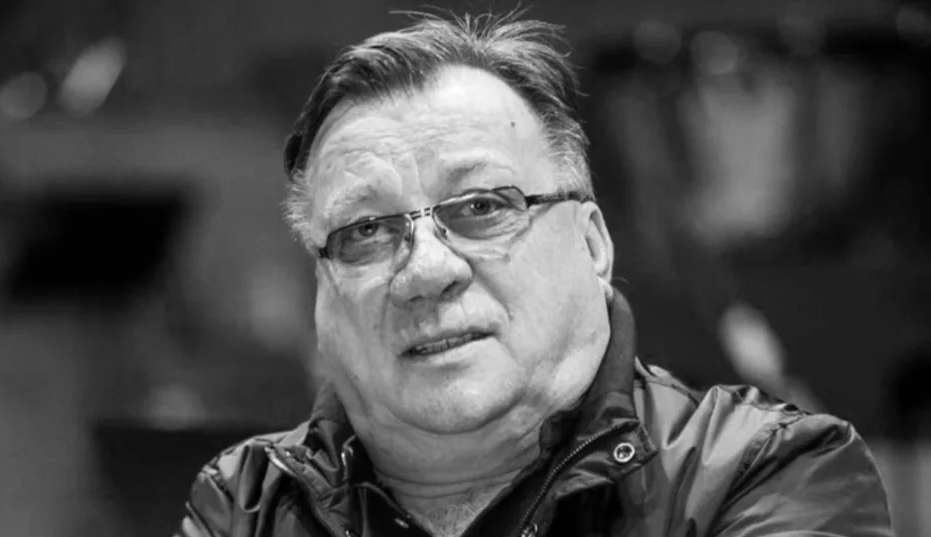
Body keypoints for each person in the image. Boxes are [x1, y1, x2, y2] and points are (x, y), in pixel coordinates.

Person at [175, 11, 893, 537]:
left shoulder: (765, 472)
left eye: (482, 207)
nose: (425, 270)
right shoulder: (249, 502)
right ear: (323, 291)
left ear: (593, 244)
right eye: (366, 230)